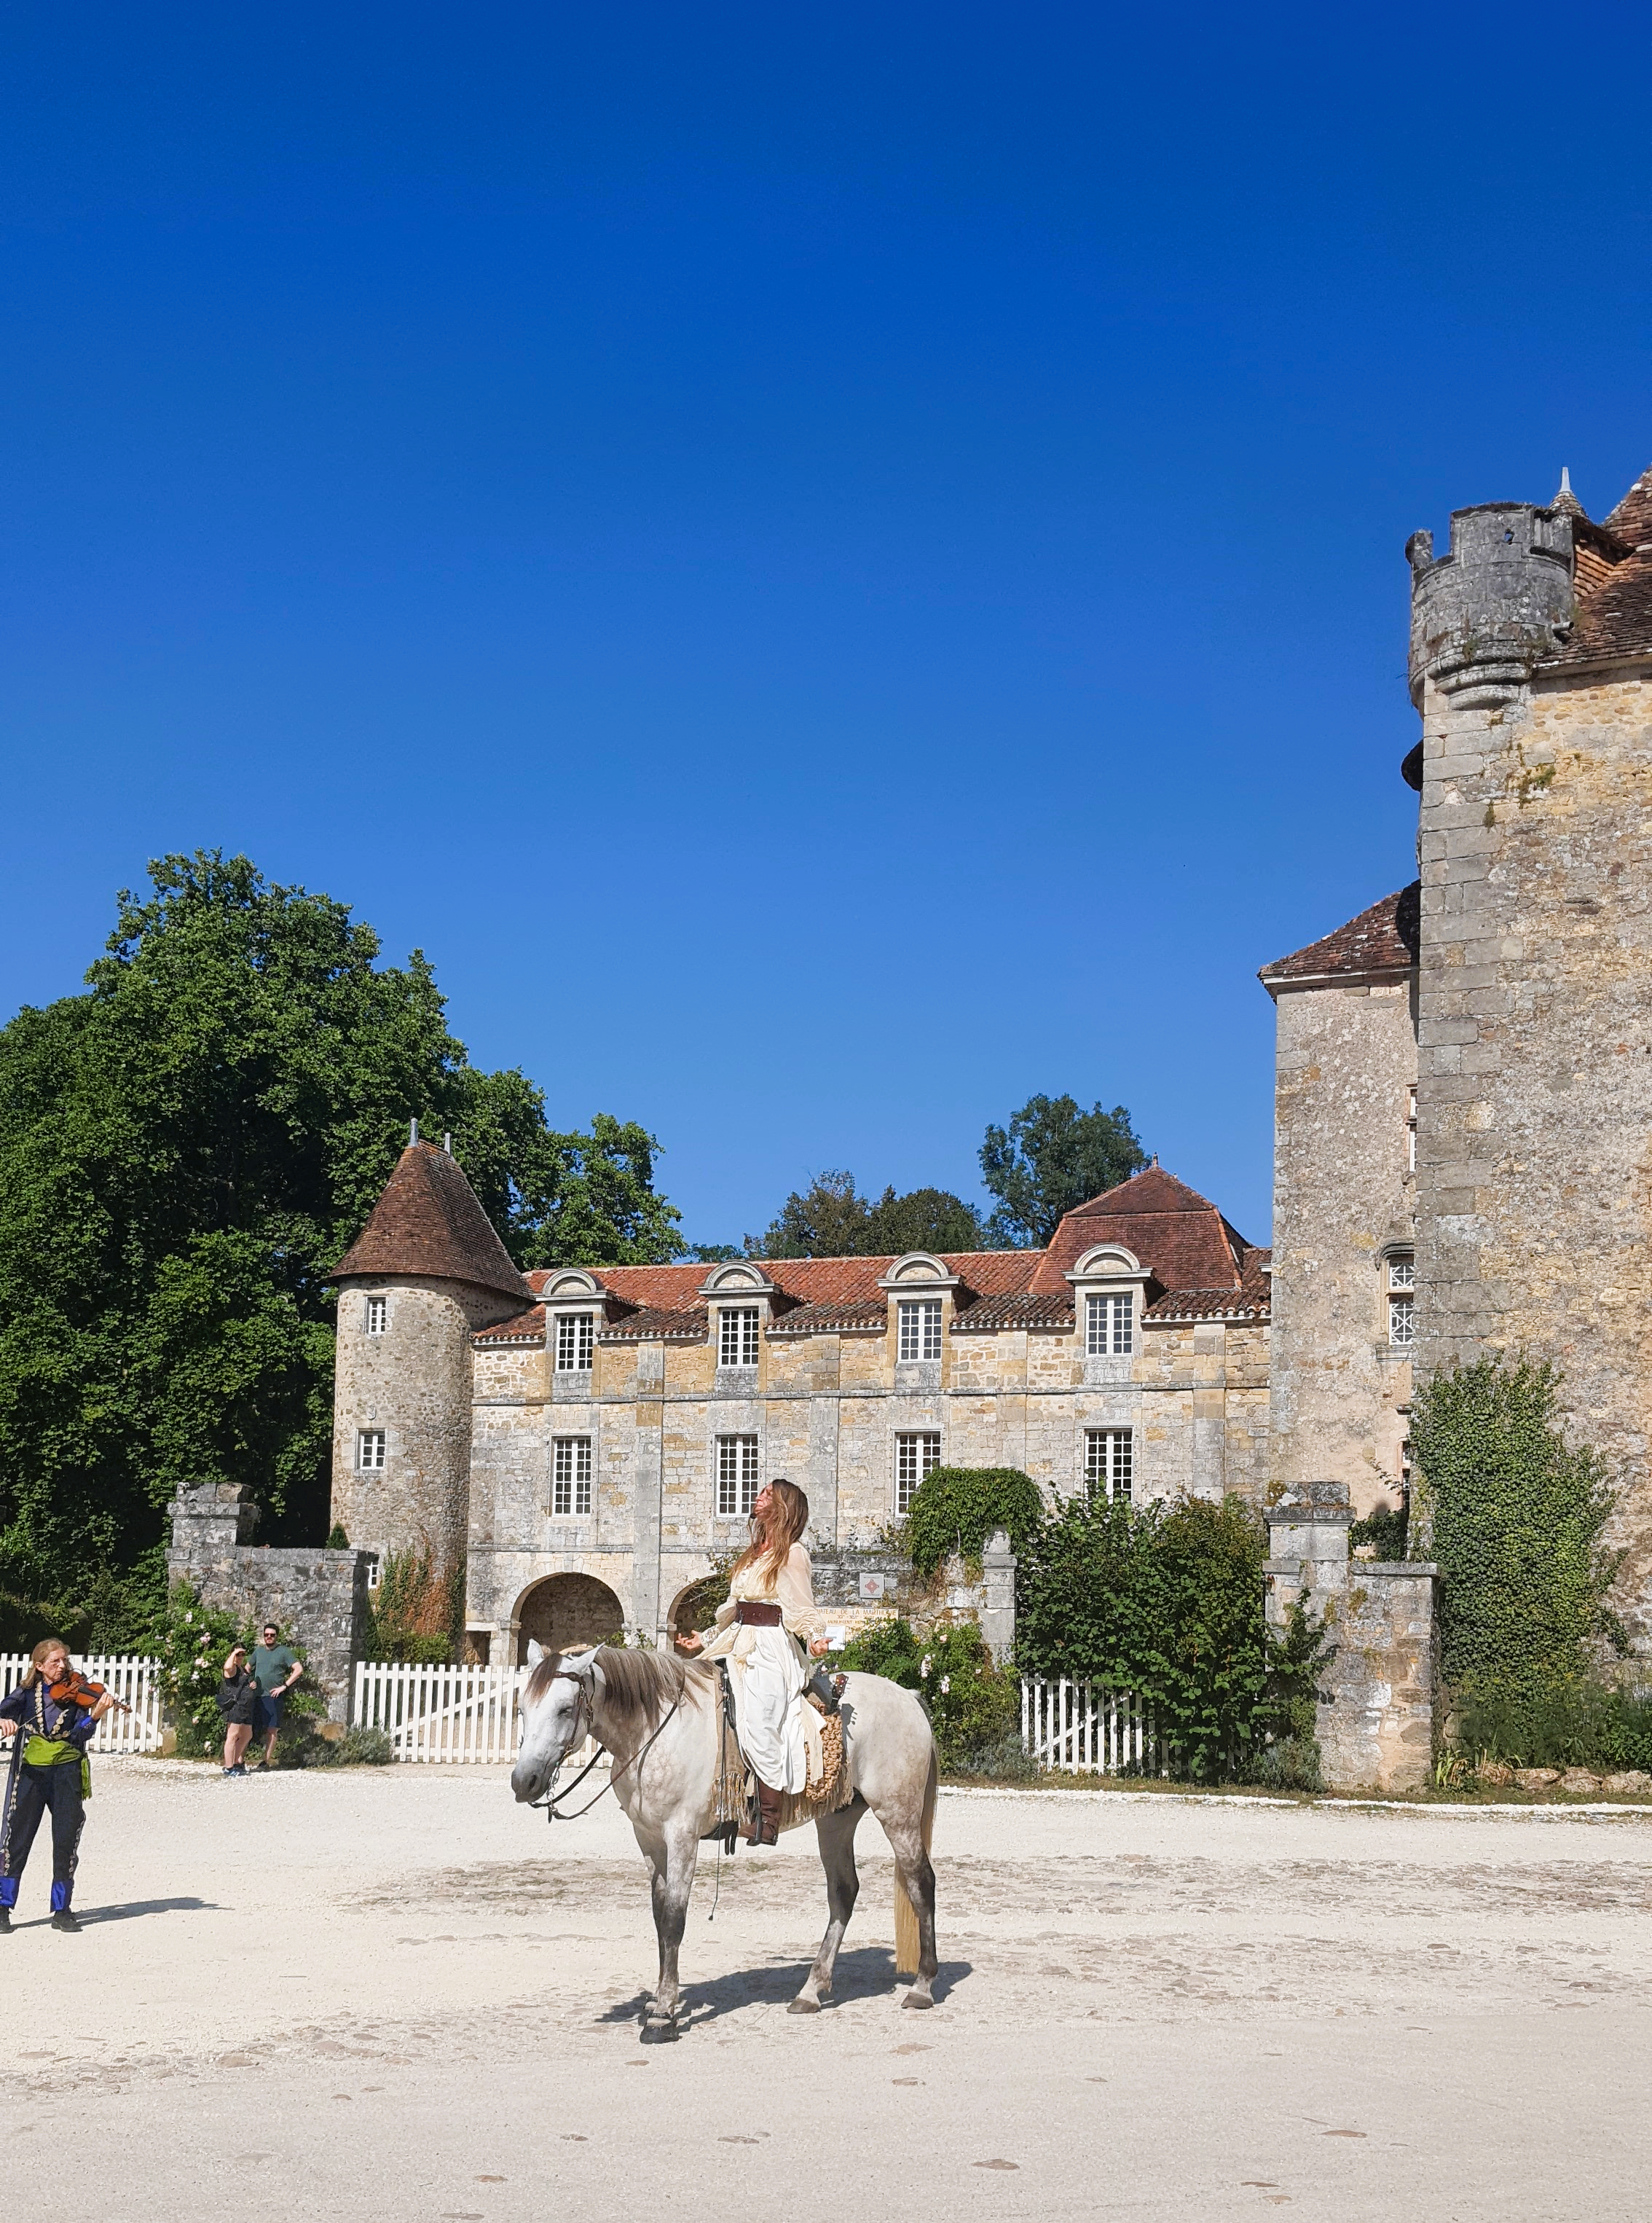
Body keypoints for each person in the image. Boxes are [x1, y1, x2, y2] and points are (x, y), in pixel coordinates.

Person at [678, 1479, 831, 1846]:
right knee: (706, 1709)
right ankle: (715, 1802)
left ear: (784, 1506)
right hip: (739, 1638)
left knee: (760, 1725)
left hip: (768, 1647)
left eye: (767, 1493)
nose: (758, 1496)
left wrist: (814, 1637)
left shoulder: (792, 1553)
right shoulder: (752, 1553)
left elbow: (800, 1606)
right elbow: (736, 1610)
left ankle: (766, 1821)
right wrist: (706, 1640)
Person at [0, 1637, 116, 1932]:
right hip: (31, 1773)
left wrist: (96, 1716)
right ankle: (3, 1906)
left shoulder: (78, 1693)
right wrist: (4, 1722)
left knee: (66, 1838)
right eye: (55, 1661)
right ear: (39, 1666)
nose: (63, 1666)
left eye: (64, 1659)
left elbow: (80, 1736)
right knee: (16, 1838)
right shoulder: (27, 1693)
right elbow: (4, 1710)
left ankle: (62, 1909)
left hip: (66, 1770)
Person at [250, 1621, 303, 1770]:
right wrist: (249, 1683)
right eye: (266, 1635)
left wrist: (284, 1686)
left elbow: (298, 1669)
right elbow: (247, 1669)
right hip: (257, 1695)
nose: (269, 1637)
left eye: (272, 1635)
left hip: (273, 1696)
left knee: (272, 1730)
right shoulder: (258, 1651)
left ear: (276, 1636)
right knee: (249, 1728)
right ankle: (239, 1760)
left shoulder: (284, 1652)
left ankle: (265, 1761)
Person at [219, 1646, 259, 1777]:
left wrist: (252, 1685)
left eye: (242, 1654)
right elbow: (227, 1668)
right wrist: (234, 1653)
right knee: (233, 1736)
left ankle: (236, 1762)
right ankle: (229, 1767)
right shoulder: (232, 1669)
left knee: (247, 1734)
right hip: (236, 1707)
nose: (240, 1657)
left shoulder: (241, 1669)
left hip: (245, 1707)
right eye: (238, 1655)